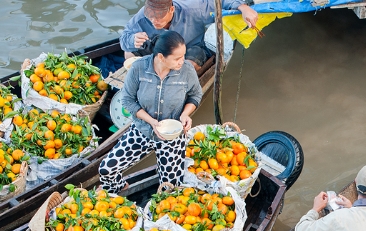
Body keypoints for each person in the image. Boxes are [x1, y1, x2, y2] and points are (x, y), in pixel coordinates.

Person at [99, 32, 202, 195]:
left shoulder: (187, 70)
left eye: (183, 56)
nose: (182, 61)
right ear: (161, 57)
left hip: (172, 135)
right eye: (177, 58)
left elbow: (195, 95)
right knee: (107, 169)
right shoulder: (139, 68)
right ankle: (119, 190)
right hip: (142, 130)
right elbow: (127, 100)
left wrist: (185, 114)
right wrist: (152, 122)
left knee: (170, 188)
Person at [120, 0, 259, 70]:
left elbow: (221, 2)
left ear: (171, 10)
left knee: (189, 66)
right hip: (161, 47)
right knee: (129, 52)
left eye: (159, 17)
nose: (154, 21)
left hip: (190, 48)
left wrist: (243, 8)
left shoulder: (194, 9)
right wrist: (132, 40)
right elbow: (124, 38)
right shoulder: (141, 17)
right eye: (150, 16)